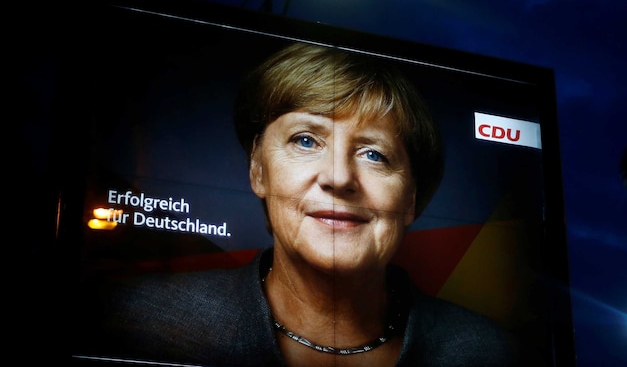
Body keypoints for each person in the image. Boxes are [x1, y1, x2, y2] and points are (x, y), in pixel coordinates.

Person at [76, 42, 523, 367]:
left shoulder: (488, 354)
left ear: (410, 198)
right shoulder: (129, 320)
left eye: (375, 154)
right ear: (258, 171)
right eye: (306, 140)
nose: (339, 177)